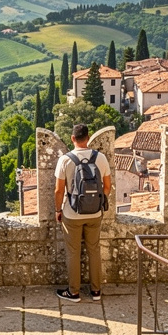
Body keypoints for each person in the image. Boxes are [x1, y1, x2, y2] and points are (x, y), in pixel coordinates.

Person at [54, 124, 112, 301]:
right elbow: (107, 187)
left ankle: (74, 292)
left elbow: (58, 190)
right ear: (88, 137)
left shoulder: (65, 160)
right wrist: (96, 203)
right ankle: (96, 291)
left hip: (72, 214)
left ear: (73, 138)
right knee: (94, 250)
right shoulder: (100, 158)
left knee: (73, 252)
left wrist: (58, 210)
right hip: (95, 214)